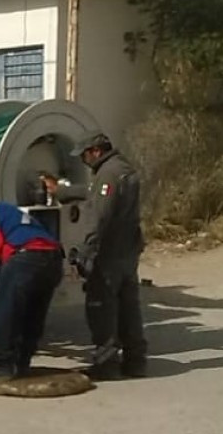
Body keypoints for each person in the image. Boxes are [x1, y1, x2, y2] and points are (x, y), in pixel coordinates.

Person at [41, 132, 147, 379]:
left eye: (85, 155)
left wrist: (85, 253)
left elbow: (99, 217)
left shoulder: (107, 175)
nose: (84, 161)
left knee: (101, 307)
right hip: (128, 251)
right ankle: (136, 361)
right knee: (129, 306)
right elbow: (93, 191)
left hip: (109, 254)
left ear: (96, 151)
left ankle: (106, 364)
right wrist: (62, 191)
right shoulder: (123, 168)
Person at [0, 200, 65, 382]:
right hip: (53, 259)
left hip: (26, 257)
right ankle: (21, 362)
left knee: (4, 312)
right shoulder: (10, 217)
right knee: (31, 315)